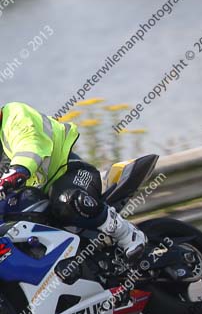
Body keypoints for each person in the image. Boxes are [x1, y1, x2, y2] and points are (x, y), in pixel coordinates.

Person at [0, 102, 147, 258]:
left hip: (70, 172)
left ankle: (128, 235)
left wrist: (17, 171)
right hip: (38, 197)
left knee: (67, 201)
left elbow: (30, 145)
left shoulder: (15, 114)